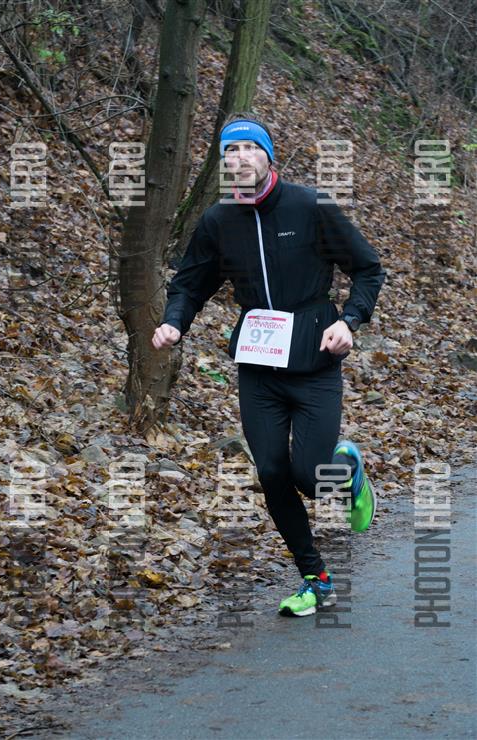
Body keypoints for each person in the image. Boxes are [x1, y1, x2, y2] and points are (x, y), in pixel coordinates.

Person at [152, 112, 386, 617]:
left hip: (315, 360)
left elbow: (368, 269)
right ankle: (316, 579)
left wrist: (350, 321)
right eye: (230, 152)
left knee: (309, 476)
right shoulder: (218, 222)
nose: (239, 158)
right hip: (258, 367)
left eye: (249, 148)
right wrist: (174, 322)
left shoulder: (309, 205)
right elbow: (190, 284)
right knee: (272, 472)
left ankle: (347, 469)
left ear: (268, 156)